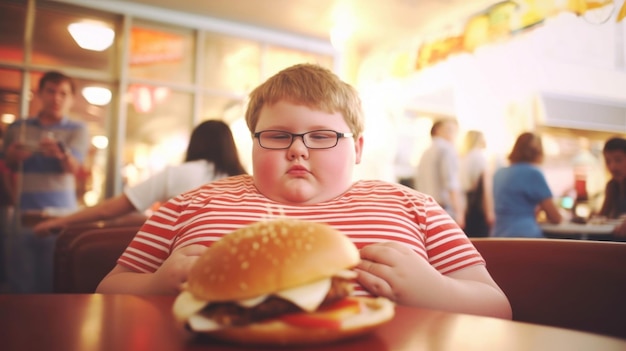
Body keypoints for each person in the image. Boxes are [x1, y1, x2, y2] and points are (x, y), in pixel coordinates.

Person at [97, 63, 512, 319]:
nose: (297, 149)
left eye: (321, 136)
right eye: (278, 136)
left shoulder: (412, 206)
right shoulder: (191, 203)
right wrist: (156, 285)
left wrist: (435, 291)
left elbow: (496, 306)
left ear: (358, 149)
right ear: (252, 144)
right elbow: (109, 289)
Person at [33, 120, 247, 236]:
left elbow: (109, 210)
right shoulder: (245, 181)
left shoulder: (177, 174)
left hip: (179, 272)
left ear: (195, 144)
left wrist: (61, 221)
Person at [3, 71, 89, 293]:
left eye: (63, 93)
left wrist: (62, 155)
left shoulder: (78, 129)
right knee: (20, 285)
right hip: (23, 215)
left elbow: (75, 168)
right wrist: (12, 156)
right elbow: (7, 165)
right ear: (39, 93)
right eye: (50, 91)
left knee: (55, 281)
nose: (56, 98)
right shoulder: (18, 128)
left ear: (71, 99)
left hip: (61, 216)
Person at [492, 132, 562, 238]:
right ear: (538, 152)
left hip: (497, 235)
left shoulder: (499, 173)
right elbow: (555, 218)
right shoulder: (533, 173)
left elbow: (513, 205)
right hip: (525, 237)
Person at [414, 118, 465, 227]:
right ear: (437, 130)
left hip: (424, 210)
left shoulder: (425, 152)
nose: (453, 134)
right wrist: (459, 212)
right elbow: (451, 182)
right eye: (449, 129)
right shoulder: (447, 149)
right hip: (444, 210)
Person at [460, 130, 495, 237]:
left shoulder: (463, 158)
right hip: (478, 207)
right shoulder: (480, 157)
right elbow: (485, 188)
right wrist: (489, 212)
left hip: (466, 206)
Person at [597, 136, 626, 238]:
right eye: (608, 161)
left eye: (618, 160)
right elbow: (602, 216)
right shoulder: (611, 186)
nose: (612, 167)